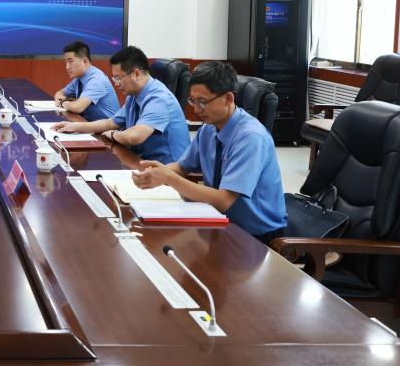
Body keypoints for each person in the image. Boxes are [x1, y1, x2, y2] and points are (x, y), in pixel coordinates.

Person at [131, 61, 287, 244]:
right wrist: (154, 173)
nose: (196, 110)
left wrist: (168, 178)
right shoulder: (208, 128)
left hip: (256, 235)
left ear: (228, 98)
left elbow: (224, 200)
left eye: (203, 102)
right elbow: (182, 166)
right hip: (216, 219)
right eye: (193, 101)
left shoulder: (250, 137)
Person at [53, 46, 189, 164]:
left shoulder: (159, 98)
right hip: (142, 161)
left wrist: (114, 135)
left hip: (167, 171)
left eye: (118, 78)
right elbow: (111, 122)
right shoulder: (134, 95)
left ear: (137, 74)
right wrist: (76, 127)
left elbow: (135, 136)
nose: (116, 83)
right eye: (114, 78)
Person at [53, 41, 120, 121]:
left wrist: (62, 103)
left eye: (70, 62)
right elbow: (60, 93)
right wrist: (62, 101)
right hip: (91, 124)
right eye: (66, 62)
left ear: (85, 61)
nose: (67, 67)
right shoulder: (79, 78)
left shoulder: (96, 80)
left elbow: (77, 107)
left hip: (108, 127)